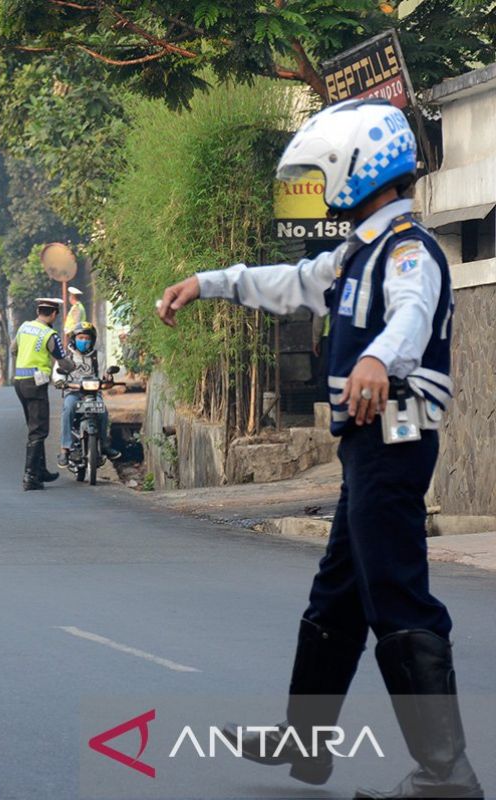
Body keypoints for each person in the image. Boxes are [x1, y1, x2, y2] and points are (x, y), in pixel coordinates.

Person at [157, 99, 480, 798]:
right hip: (368, 449)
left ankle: (446, 772)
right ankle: (305, 743)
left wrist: (380, 360)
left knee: (396, 593)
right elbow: (286, 283)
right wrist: (208, 284)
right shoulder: (355, 255)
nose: (318, 185)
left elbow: (413, 314)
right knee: (337, 598)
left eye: (323, 171)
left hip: (395, 439)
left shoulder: (407, 252)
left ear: (358, 169)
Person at [12, 298, 74, 490]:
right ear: (54, 314)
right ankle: (30, 476)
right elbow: (62, 361)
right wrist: (74, 367)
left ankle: (41, 471)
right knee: (38, 430)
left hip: (19, 382)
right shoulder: (50, 334)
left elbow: (14, 349)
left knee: (33, 425)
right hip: (35, 385)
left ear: (39, 311)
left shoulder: (24, 327)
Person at [53, 321, 119, 468]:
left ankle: (104, 445)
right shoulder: (66, 357)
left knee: (103, 412)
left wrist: (109, 378)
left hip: (94, 394)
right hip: (74, 392)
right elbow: (57, 376)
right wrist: (60, 382)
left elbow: (104, 376)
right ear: (74, 339)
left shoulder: (98, 356)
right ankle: (65, 449)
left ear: (92, 340)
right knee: (68, 409)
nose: (84, 341)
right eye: (81, 337)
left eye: (87, 338)